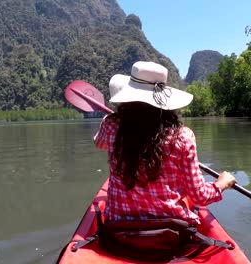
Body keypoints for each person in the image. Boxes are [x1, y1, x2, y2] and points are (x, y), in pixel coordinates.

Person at [94, 61, 236, 224]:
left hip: (119, 229)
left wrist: (115, 120)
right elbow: (199, 197)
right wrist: (221, 184)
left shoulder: (110, 125)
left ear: (127, 98)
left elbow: (100, 144)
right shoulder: (183, 136)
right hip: (171, 236)